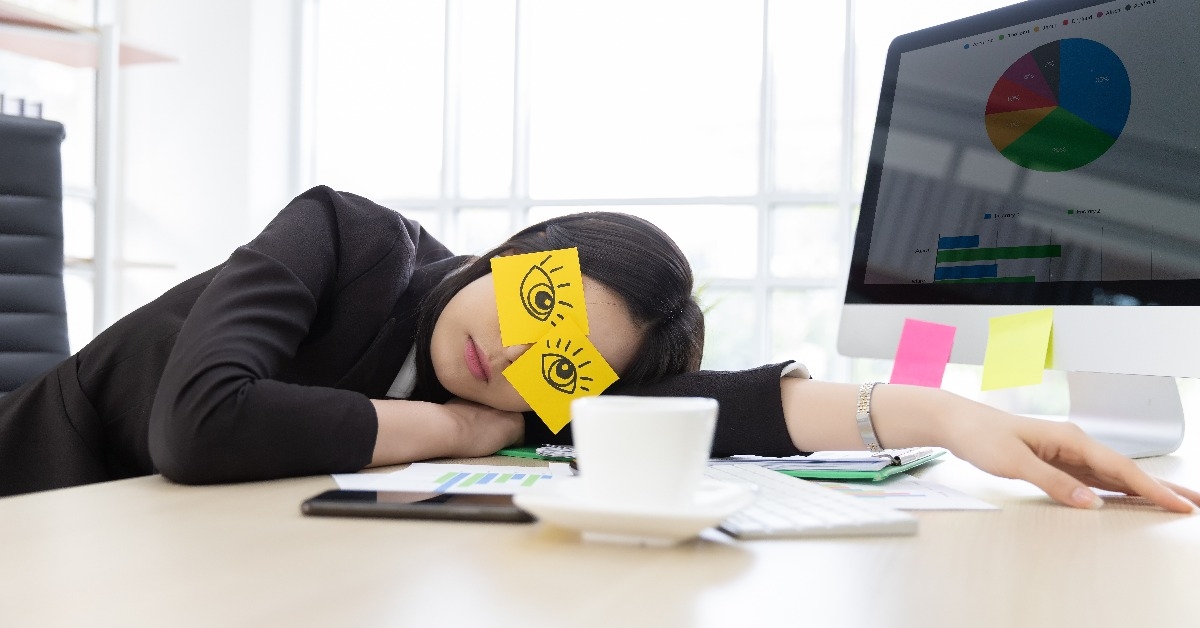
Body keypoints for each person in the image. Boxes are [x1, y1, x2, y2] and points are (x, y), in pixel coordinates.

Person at [0, 186, 1196, 514]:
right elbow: (202, 425)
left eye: (567, 359)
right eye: (543, 296)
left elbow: (739, 409)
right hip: (41, 503)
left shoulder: (557, 387)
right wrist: (462, 431)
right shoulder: (343, 236)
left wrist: (949, 418)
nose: (522, 348)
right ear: (521, 248)